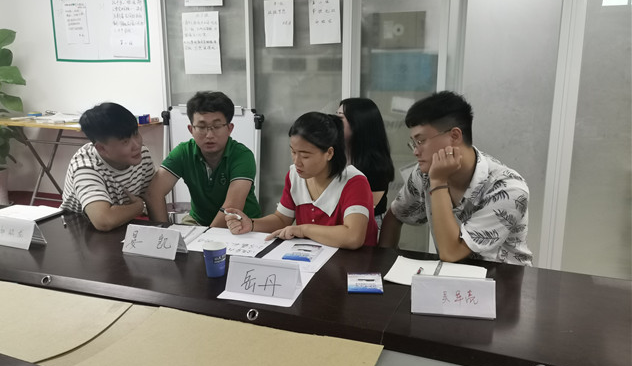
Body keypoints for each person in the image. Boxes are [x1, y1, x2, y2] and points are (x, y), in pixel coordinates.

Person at [379, 91, 532, 265]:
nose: (415, 151)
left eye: (421, 141)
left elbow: (451, 252)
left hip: (503, 278)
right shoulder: (424, 173)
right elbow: (396, 214)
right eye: (413, 143)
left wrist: (438, 182)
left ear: (454, 136)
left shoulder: (508, 188)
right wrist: (383, 266)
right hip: (450, 276)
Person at [225, 112, 379, 249]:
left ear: (329, 153)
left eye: (305, 155)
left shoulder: (354, 181)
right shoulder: (295, 175)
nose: (297, 161)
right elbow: (281, 219)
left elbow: (353, 237)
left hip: (355, 264)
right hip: (312, 260)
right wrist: (251, 224)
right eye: (293, 152)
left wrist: (303, 229)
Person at [146, 91, 260, 227]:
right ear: (191, 129)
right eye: (201, 127)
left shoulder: (242, 156)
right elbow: (154, 193)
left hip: (240, 224)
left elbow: (231, 208)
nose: (209, 135)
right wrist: (164, 232)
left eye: (217, 126)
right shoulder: (183, 152)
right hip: (198, 221)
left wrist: (206, 237)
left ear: (229, 129)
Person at [61, 102, 155, 232]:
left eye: (136, 134)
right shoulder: (86, 165)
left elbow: (151, 196)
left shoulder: (142, 154)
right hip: (81, 229)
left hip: (122, 225)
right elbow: (103, 221)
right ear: (102, 148)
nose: (137, 145)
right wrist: (138, 207)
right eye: (125, 141)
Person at [337, 98, 394, 227]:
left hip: (365, 226)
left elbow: (363, 211)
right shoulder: (333, 155)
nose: (334, 123)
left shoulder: (376, 167)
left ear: (358, 123)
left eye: (340, 118)